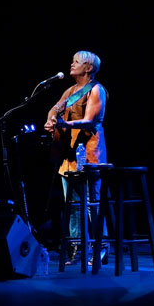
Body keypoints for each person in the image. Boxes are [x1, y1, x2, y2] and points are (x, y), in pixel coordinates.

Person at [44, 50, 108, 265]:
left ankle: (99, 247)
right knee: (72, 204)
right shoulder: (70, 91)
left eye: (76, 62)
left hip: (89, 155)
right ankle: (76, 246)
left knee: (92, 204)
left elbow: (90, 121)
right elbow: (54, 109)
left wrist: (64, 124)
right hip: (68, 155)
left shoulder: (96, 90)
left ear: (88, 68)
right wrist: (51, 120)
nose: (72, 65)